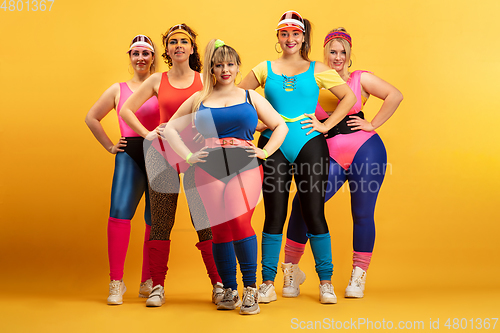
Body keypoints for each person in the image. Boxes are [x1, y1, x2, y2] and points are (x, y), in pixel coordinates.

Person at [239, 10, 357, 304]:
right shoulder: (264, 68)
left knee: (313, 212)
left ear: (303, 36)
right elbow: (237, 97)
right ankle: (267, 282)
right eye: (284, 33)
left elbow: (350, 98)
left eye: (295, 33)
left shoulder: (318, 69)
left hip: (310, 143)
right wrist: (257, 124)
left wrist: (326, 125)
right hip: (272, 145)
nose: (290, 38)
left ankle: (325, 282)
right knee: (274, 214)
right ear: (278, 37)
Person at [163, 39, 287, 315]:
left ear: (238, 67)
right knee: (218, 229)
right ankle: (229, 290)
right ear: (212, 69)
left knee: (240, 222)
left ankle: (250, 290)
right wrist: (188, 156)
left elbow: (280, 125)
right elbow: (170, 128)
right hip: (208, 166)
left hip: (244, 162)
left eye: (230, 64)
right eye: (219, 65)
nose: (225, 69)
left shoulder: (250, 97)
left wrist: (265, 151)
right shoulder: (200, 98)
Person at [284, 28, 403, 298]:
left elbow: (395, 95)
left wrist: (372, 124)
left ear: (349, 55)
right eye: (333, 51)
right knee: (303, 203)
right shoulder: (312, 78)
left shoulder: (360, 79)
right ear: (324, 53)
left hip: (366, 150)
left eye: (343, 52)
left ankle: (358, 277)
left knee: (362, 213)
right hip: (330, 153)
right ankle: (292, 270)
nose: (338, 57)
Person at [120, 24, 222, 307]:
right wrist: (147, 133)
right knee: (161, 222)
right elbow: (126, 109)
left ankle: (218, 284)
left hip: (196, 155)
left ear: (192, 48)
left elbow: (221, 109)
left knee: (204, 221)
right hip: (162, 154)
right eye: (173, 42)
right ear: (166, 50)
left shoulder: (205, 80)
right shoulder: (155, 80)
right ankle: (157, 287)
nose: (178, 46)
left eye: (184, 42)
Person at [85, 34, 158, 305]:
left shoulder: (161, 85)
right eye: (135, 53)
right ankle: (116, 282)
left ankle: (148, 280)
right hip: (129, 154)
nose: (140, 58)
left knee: (155, 218)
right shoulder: (118, 90)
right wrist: (109, 146)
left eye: (145, 53)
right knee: (119, 215)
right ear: (130, 57)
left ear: (153, 58)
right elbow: (91, 117)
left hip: (159, 155)